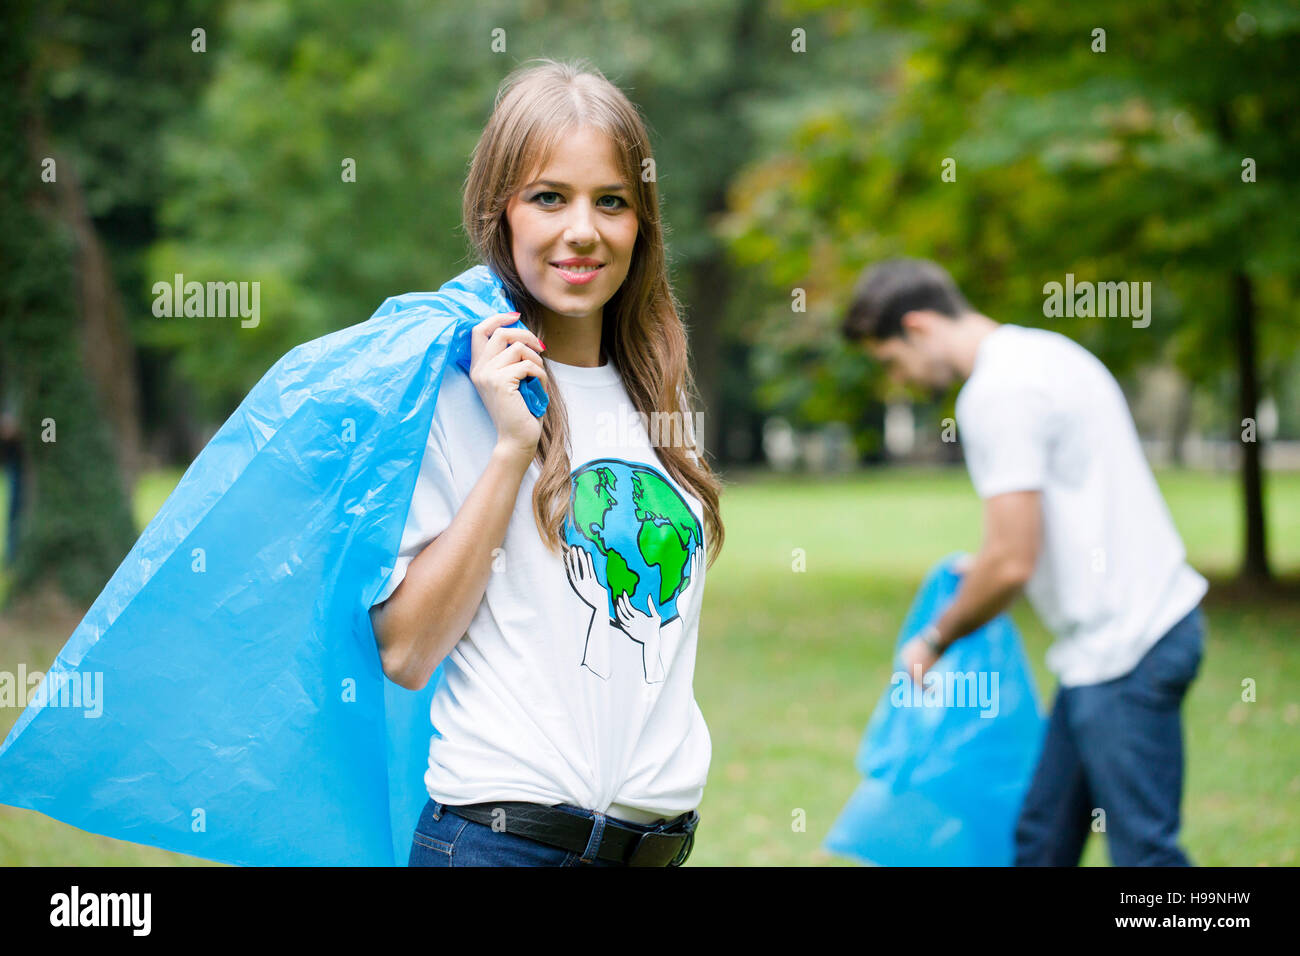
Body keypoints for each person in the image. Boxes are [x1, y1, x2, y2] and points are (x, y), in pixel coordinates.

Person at [368, 59, 724, 867]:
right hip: (502, 848)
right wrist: (509, 450)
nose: (583, 231)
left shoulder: (662, 405)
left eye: (612, 201)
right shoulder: (457, 398)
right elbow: (406, 651)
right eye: (548, 197)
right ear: (501, 215)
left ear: (643, 223)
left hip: (657, 849)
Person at [841, 258, 1208, 867]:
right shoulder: (1045, 354)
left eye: (891, 360)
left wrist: (934, 639)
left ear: (919, 326)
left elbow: (1013, 562)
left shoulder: (996, 393)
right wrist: (983, 565)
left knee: (1146, 858)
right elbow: (1057, 513)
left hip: (1129, 649)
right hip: (1107, 650)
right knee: (1041, 843)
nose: (900, 378)